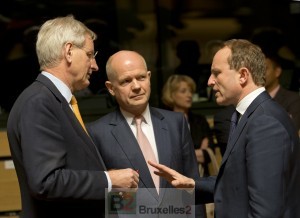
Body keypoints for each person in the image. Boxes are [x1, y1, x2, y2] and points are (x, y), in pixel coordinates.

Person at [149, 39, 300, 217]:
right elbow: (238, 183)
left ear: (243, 75)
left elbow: (265, 211)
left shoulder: (265, 123)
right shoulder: (250, 115)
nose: (209, 81)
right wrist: (192, 184)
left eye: (216, 73)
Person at [6, 15, 139, 218]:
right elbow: (46, 182)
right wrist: (110, 180)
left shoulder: (54, 100)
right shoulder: (39, 103)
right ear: (69, 52)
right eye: (89, 55)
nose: (94, 65)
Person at [87, 50, 206, 217]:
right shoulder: (97, 133)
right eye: (126, 81)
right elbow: (101, 199)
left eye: (141, 77)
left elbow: (192, 183)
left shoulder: (175, 123)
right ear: (111, 88)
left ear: (149, 77)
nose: (136, 86)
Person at [161, 74, 215, 176]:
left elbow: (208, 155)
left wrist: (183, 155)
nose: (189, 95)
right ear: (171, 94)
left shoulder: (200, 121)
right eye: (183, 91)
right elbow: (167, 158)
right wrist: (199, 152)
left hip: (200, 179)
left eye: (190, 91)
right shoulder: (163, 122)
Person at [265, 54, 300, 134]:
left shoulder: (293, 99)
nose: (261, 73)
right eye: (258, 69)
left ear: (277, 72)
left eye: (265, 68)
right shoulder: (252, 98)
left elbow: (291, 130)